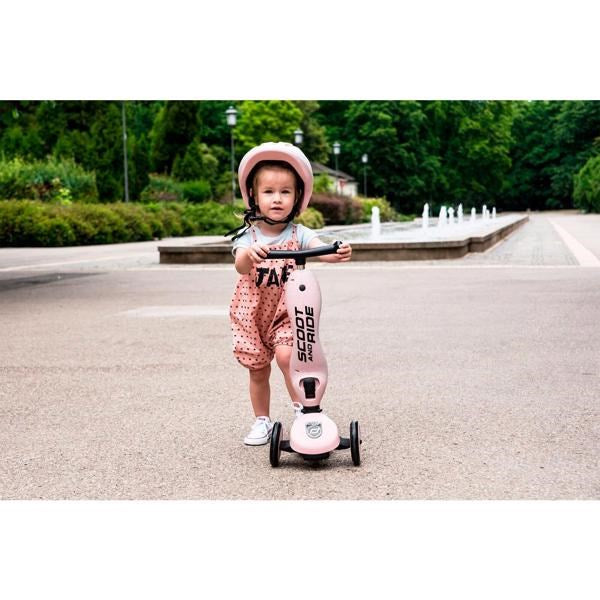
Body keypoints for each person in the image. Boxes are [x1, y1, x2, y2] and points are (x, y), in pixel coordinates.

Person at [227, 142, 352, 445]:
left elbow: (319, 248)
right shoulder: (248, 236)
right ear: (254, 196)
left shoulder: (300, 233)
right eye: (269, 191)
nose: (277, 198)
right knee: (258, 371)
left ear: (297, 197)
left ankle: (304, 412)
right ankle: (262, 421)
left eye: (285, 192)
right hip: (252, 314)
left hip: (287, 312)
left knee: (289, 357)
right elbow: (240, 264)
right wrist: (249, 254)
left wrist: (336, 251)